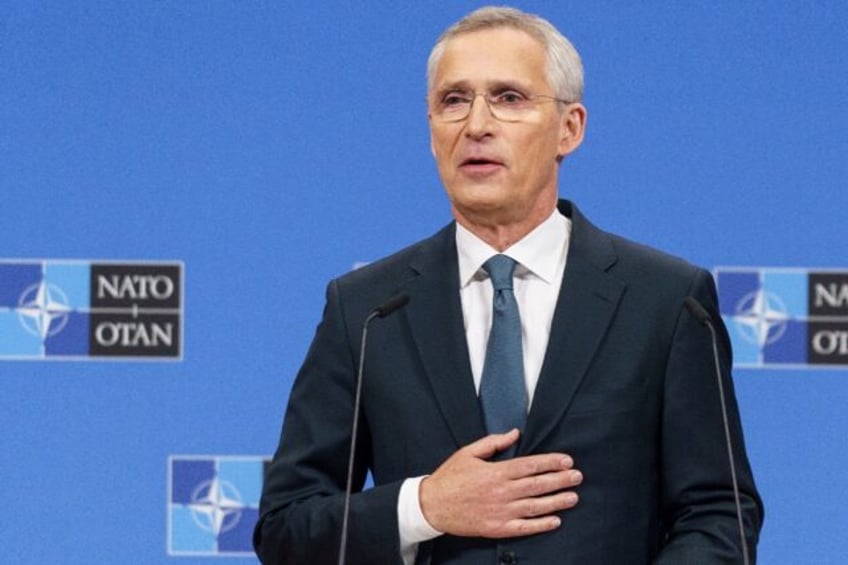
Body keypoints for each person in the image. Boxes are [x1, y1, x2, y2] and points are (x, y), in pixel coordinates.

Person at [254, 6, 763, 564]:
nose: (476, 125)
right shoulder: (367, 312)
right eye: (453, 101)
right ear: (430, 131)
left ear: (570, 128)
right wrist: (423, 506)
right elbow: (286, 528)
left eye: (509, 98)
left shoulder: (667, 300)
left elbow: (719, 516)